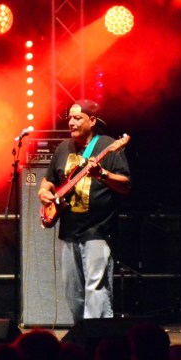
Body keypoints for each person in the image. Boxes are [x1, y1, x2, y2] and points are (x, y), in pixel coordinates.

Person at [38, 99, 131, 324]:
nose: (71, 122)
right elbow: (48, 181)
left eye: (77, 118)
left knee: (96, 290)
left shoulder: (108, 146)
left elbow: (126, 184)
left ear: (92, 121)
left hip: (98, 230)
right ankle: (82, 338)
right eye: (69, 117)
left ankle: (98, 341)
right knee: (73, 293)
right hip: (69, 232)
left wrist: (103, 174)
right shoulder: (63, 148)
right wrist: (43, 192)